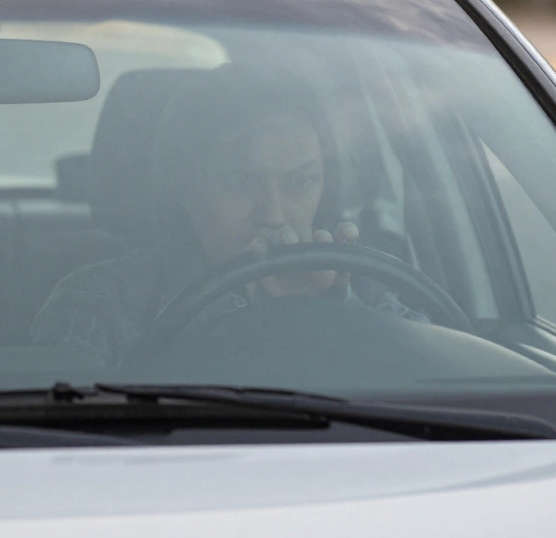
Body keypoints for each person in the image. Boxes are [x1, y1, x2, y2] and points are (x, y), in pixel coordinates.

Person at [31, 63, 425, 367]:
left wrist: (333, 316)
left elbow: (442, 382)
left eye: (300, 183)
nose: (272, 214)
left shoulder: (364, 294)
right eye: (239, 182)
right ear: (183, 187)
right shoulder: (99, 304)